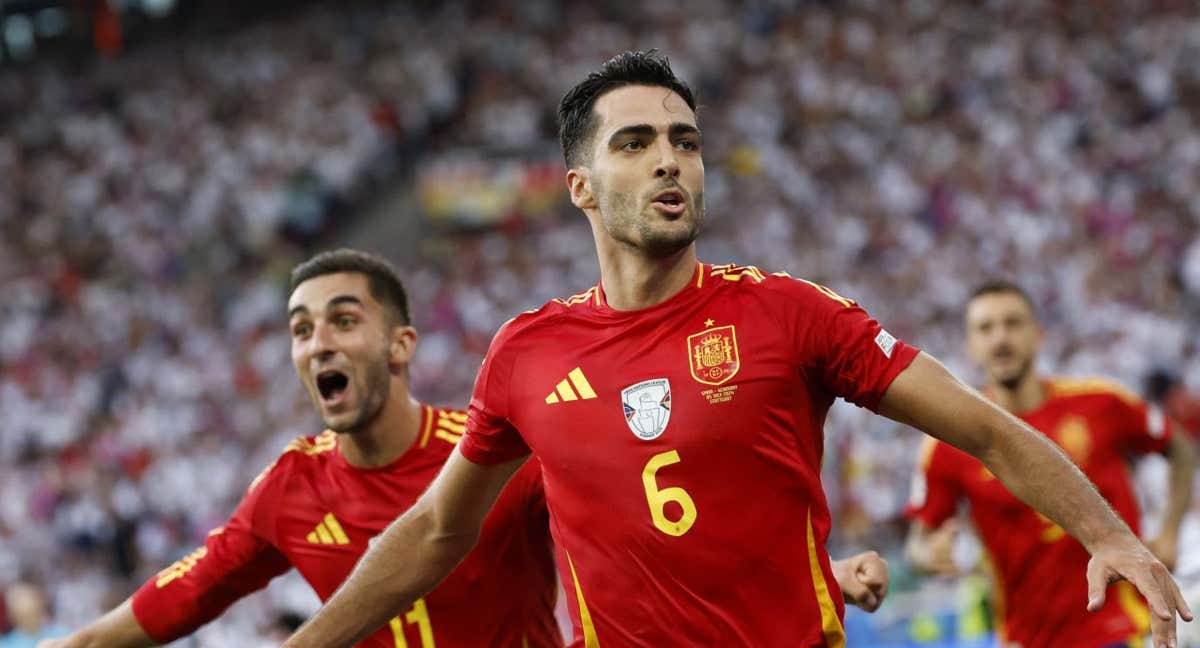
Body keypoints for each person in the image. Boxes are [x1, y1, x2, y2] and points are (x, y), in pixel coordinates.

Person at [280, 52, 1192, 648]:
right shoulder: (526, 353)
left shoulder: (789, 315)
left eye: (685, 141)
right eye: (635, 144)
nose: (670, 160)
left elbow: (986, 431)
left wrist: (1113, 535)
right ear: (582, 187)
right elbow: (439, 530)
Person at [36, 249, 563, 648]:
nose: (318, 344)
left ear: (400, 344)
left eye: (344, 320)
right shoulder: (290, 486)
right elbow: (179, 599)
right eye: (301, 330)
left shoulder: (496, 457)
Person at [905, 280, 1197, 647]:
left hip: (1121, 629)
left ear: (1038, 334)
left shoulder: (1100, 403)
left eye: (1012, 323)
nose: (1000, 338)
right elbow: (918, 541)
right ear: (970, 345)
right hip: (1025, 639)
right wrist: (930, 554)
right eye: (986, 328)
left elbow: (1179, 448)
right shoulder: (948, 441)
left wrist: (1170, 530)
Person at [1, 582, 67, 648]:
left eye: (31, 612)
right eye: (24, 616)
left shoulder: (62, 634)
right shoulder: (6, 644)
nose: (29, 619)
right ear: (12, 616)